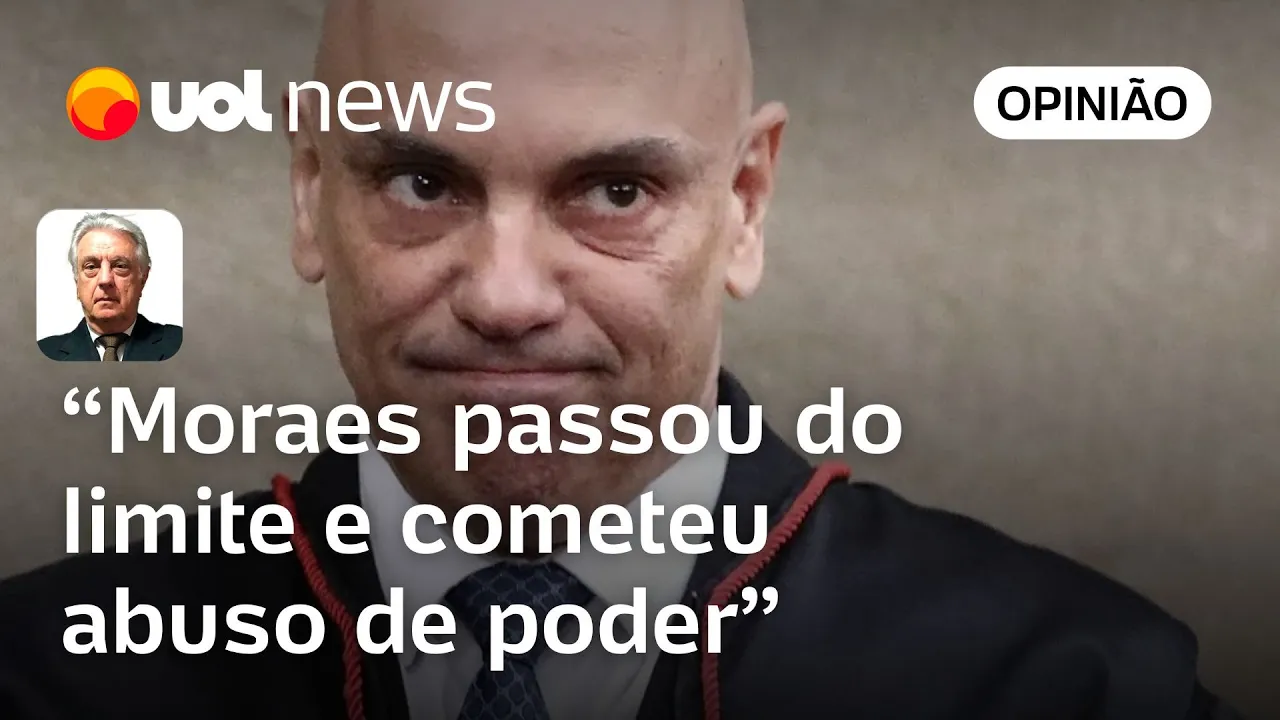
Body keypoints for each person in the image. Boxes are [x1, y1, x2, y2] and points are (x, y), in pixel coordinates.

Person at [0, 0, 1244, 718]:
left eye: (612, 190)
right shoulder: (47, 676)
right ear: (309, 193)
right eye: (422, 182)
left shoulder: (1065, 690)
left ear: (743, 205)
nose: (504, 296)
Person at [37, 211, 183, 362]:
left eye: (120, 266)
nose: (105, 280)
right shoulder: (43, 356)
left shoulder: (182, 345)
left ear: (143, 278)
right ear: (76, 281)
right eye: (91, 267)